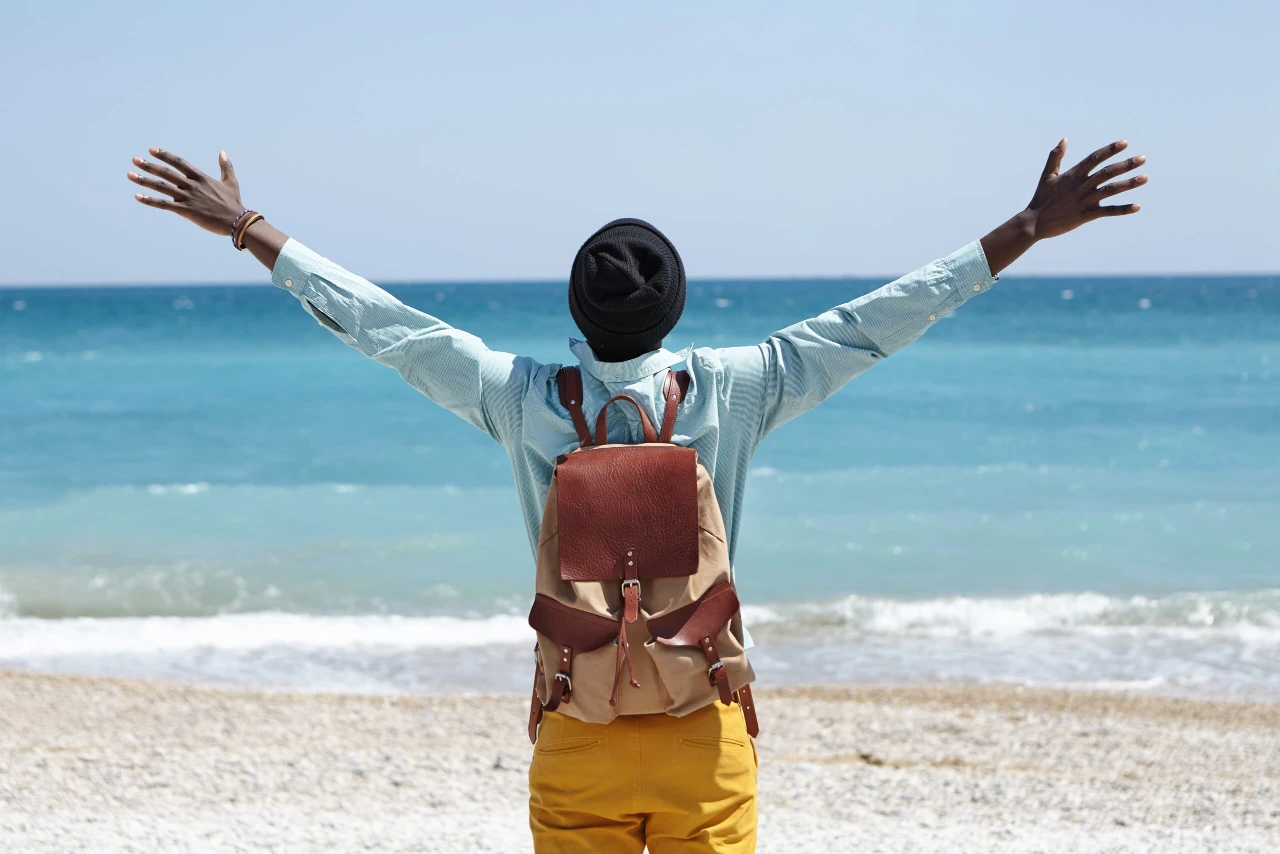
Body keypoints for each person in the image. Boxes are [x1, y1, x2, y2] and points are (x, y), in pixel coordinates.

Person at [127, 138, 1147, 853]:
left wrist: (251, 230)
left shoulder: (518, 396)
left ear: (574, 310)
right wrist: (1023, 227)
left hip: (577, 726)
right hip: (705, 731)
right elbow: (877, 321)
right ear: (677, 306)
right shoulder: (741, 385)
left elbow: (387, 329)